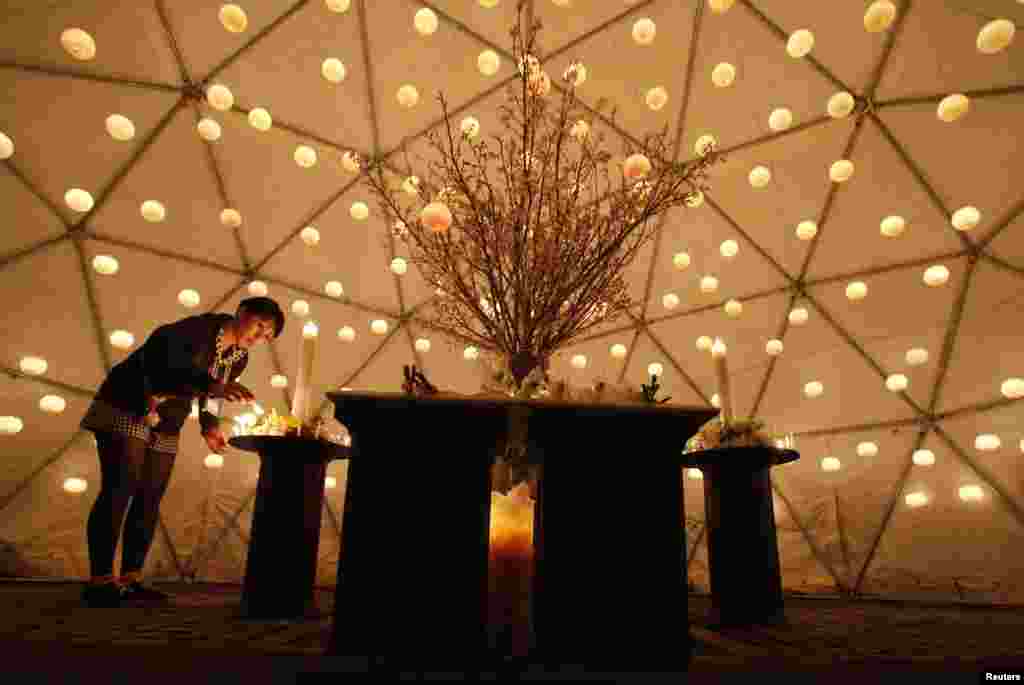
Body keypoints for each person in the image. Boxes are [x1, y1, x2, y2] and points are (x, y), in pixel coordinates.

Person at [78, 296, 285, 607]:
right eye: (259, 326)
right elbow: (164, 362)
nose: (258, 337)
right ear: (242, 313)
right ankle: (100, 582)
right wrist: (214, 386)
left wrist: (209, 425)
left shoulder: (238, 357)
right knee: (120, 489)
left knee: (149, 496)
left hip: (169, 419)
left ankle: (131, 579)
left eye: (266, 335)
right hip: (129, 403)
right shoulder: (195, 330)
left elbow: (215, 391)